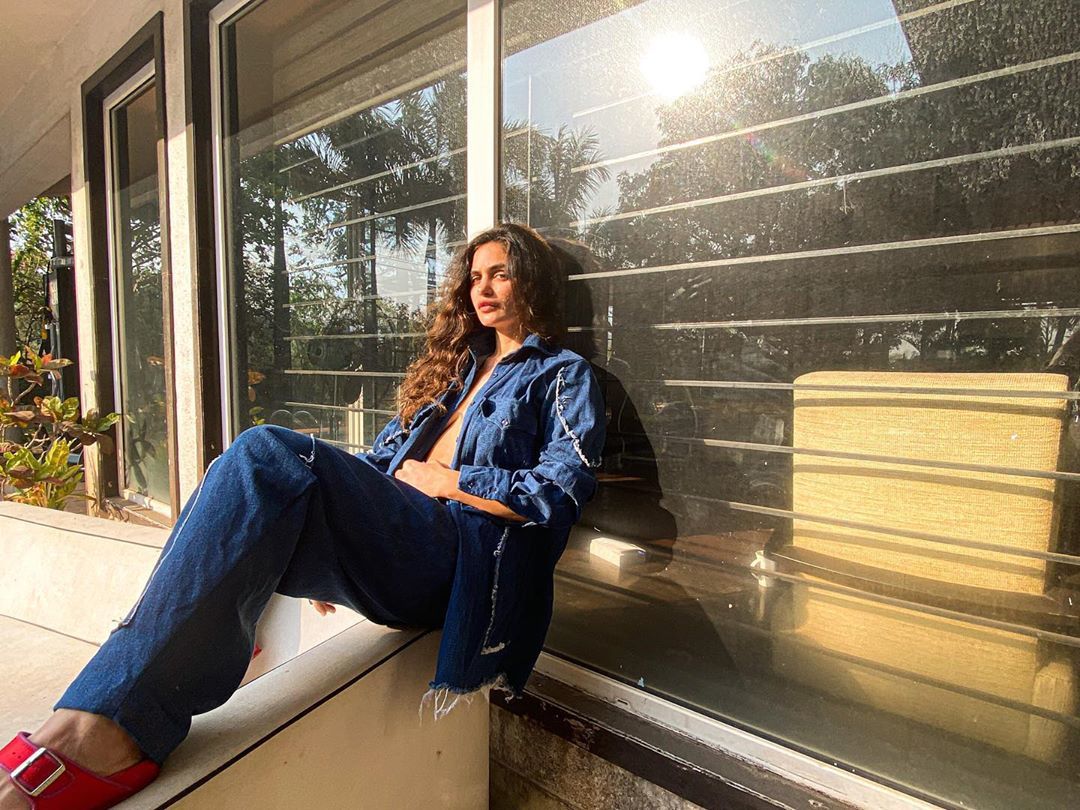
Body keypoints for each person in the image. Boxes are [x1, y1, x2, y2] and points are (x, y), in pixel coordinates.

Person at [0, 222, 606, 809]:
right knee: (245, 470)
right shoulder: (454, 373)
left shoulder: (562, 375)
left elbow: (560, 491)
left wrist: (453, 480)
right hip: (399, 546)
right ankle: (108, 704)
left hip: (457, 562)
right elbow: (378, 464)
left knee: (265, 450)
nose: (483, 288)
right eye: (475, 276)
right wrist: (342, 529)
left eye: (501, 273)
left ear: (532, 281)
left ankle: (107, 728)